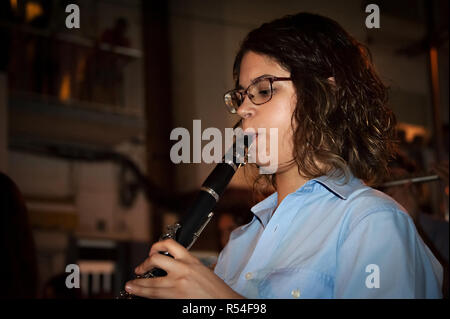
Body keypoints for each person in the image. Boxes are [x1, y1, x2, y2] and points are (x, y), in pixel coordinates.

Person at [124, 13, 443, 298]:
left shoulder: (372, 222)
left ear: (324, 95)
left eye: (263, 90)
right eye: (241, 96)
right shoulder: (239, 244)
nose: (244, 108)